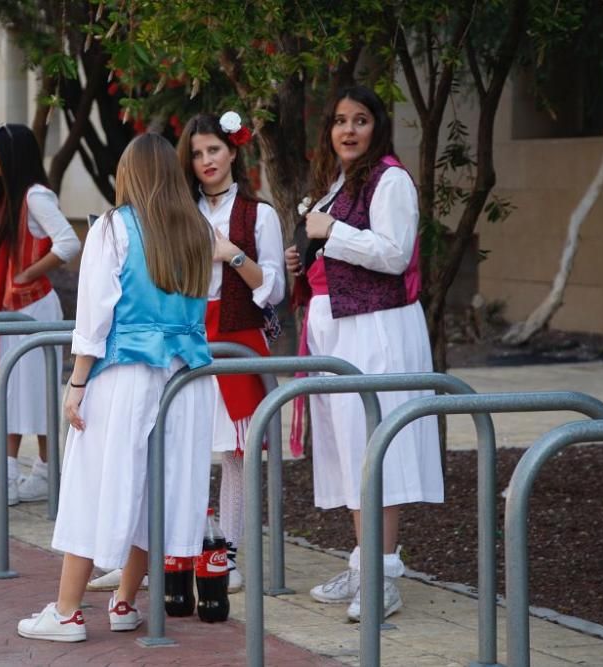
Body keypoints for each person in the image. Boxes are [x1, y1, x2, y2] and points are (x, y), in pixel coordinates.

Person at [17, 133, 215, 643]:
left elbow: (94, 314)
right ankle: (124, 601)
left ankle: (66, 613)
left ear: (128, 174)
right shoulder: (198, 227)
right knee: (156, 487)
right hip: (187, 376)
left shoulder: (113, 227)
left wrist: (76, 381)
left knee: (94, 483)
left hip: (127, 370)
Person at [85, 112, 284, 595]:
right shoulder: (175, 211)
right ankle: (152, 554)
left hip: (236, 336)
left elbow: (275, 289)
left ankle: (226, 554)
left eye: (214, 149)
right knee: (169, 451)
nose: (206, 161)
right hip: (181, 339)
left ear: (234, 151)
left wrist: (232, 253)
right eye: (195, 153)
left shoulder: (260, 214)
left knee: (235, 452)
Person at [285, 85, 442, 621]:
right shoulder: (338, 183)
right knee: (350, 448)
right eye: (339, 121)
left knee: (379, 445)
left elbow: (396, 256)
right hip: (337, 328)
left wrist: (334, 232)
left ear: (378, 127)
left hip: (377, 329)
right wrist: (303, 263)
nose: (348, 131)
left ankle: (384, 575)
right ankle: (363, 564)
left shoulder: (391, 180)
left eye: (360, 121)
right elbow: (335, 252)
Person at [0, 123, 81, 508]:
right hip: (9, 310)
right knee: (16, 391)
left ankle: (25, 475)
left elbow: (68, 241)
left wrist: (29, 272)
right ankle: (25, 473)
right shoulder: (5, 200)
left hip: (32, 310)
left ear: (13, 155)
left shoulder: (35, 197)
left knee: (29, 392)